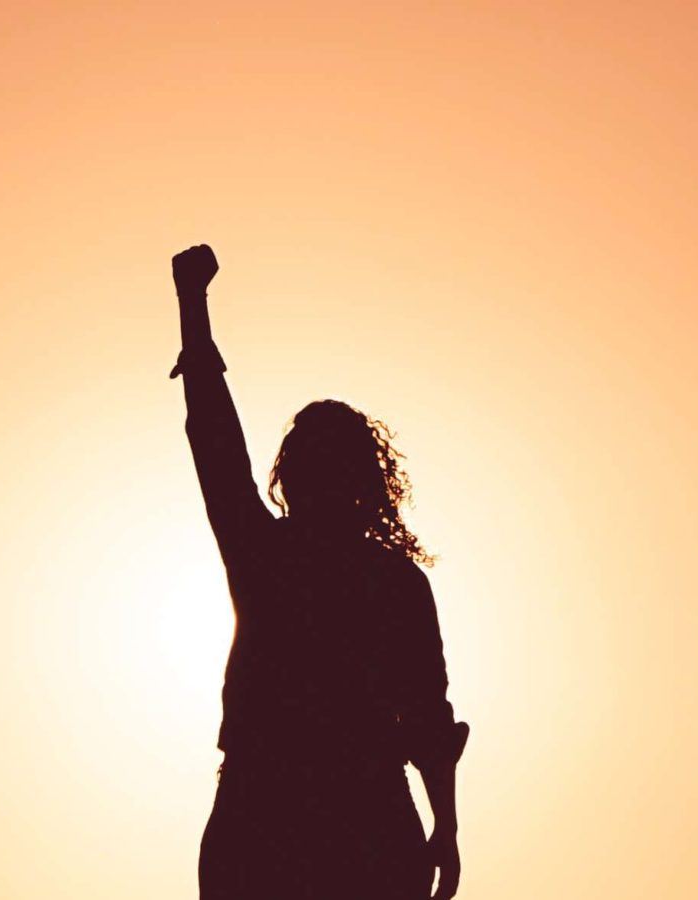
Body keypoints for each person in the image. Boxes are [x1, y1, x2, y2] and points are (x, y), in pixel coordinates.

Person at [168, 244, 469, 900]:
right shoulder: (299, 562)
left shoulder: (312, 567)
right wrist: (192, 311)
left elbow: (426, 717)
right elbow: (213, 438)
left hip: (324, 819)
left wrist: (445, 827)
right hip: (296, 815)